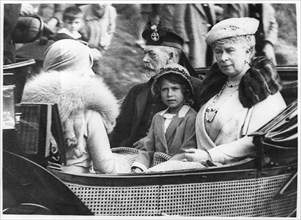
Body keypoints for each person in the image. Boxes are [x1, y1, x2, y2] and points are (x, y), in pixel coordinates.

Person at [181, 17, 286, 165]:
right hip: (200, 165)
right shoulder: (214, 86)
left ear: (248, 52)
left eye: (230, 50)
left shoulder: (263, 89)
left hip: (236, 174)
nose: (223, 58)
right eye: (218, 51)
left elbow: (257, 141)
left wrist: (210, 155)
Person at [22, 39, 131, 174]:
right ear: (83, 69)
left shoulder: (28, 106)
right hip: (73, 189)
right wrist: (130, 162)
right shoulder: (90, 110)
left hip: (36, 182)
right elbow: (105, 167)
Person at [109, 23, 203, 149]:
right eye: (144, 54)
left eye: (151, 54)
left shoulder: (195, 88)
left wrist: (152, 141)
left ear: (171, 57)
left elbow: (197, 134)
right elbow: (119, 132)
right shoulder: (137, 92)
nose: (144, 59)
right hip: (131, 153)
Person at [131, 63, 197, 172]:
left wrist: (160, 169)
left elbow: (186, 152)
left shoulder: (191, 118)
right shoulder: (158, 117)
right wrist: (139, 168)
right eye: (164, 89)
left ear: (185, 91)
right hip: (153, 168)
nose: (169, 94)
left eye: (175, 89)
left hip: (178, 170)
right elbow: (147, 149)